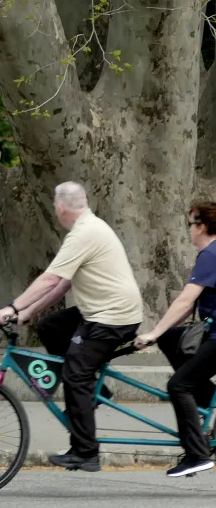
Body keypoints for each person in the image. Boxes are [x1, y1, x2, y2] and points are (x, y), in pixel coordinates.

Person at [0, 181, 143, 472]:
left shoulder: (84, 233)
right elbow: (62, 283)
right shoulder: (87, 228)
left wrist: (11, 308)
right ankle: (96, 392)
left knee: (75, 373)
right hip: (100, 311)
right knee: (49, 328)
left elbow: (48, 279)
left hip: (113, 317)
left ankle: (86, 452)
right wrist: (29, 313)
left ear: (60, 208)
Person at [134, 201, 216, 478]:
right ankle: (203, 397)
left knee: (178, 385)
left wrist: (152, 333)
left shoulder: (211, 254)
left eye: (190, 224)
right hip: (211, 331)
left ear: (201, 226)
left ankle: (196, 455)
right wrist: (160, 334)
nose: (189, 230)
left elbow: (185, 301)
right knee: (171, 338)